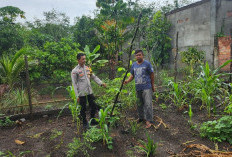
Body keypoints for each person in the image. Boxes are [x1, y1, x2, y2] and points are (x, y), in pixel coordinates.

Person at [71, 53, 106, 129]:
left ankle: (92, 120)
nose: (84, 60)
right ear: (78, 60)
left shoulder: (88, 68)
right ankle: (84, 123)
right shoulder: (75, 71)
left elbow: (94, 77)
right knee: (83, 109)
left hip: (89, 91)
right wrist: (77, 95)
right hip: (81, 93)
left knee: (93, 106)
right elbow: (74, 84)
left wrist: (101, 83)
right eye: (83, 59)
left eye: (85, 59)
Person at [124, 49, 155, 128]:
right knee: (139, 103)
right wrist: (127, 81)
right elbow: (132, 75)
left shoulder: (147, 64)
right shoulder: (134, 65)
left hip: (147, 87)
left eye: (139, 55)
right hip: (138, 87)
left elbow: (152, 74)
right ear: (135, 56)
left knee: (148, 104)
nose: (138, 56)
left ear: (142, 55)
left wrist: (152, 85)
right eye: (137, 55)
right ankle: (141, 118)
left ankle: (148, 120)